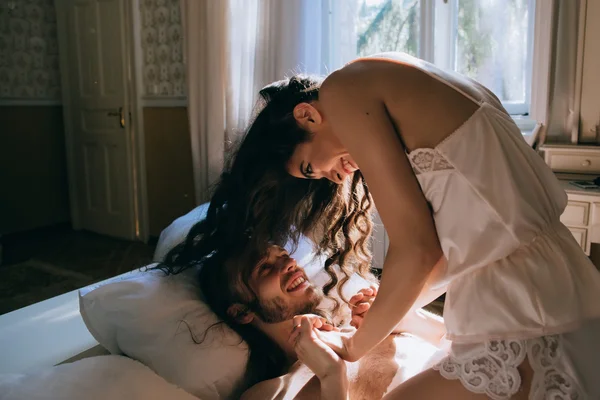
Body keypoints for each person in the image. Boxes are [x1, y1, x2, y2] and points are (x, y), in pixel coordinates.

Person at [165, 51, 600, 398]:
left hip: (518, 301)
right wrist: (398, 309)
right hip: (549, 283)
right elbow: (476, 234)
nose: (337, 177)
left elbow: (420, 249)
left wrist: (354, 346)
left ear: (307, 116)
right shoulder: (404, 76)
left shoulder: (345, 90)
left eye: (309, 169)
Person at [197, 244, 446, 399]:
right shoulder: (272, 393)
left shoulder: (362, 330)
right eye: (264, 267)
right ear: (241, 312)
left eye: (284, 254)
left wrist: (406, 320)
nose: (290, 263)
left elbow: (470, 348)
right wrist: (331, 378)